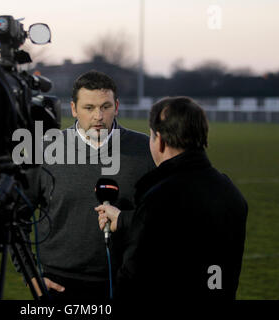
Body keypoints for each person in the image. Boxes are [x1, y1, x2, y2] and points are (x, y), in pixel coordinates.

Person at [18, 70, 155, 300]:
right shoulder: (42, 150)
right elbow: (17, 219)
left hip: (125, 282)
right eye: (89, 108)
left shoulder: (146, 151)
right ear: (73, 109)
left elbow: (160, 219)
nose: (98, 116)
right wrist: (30, 275)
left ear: (117, 106)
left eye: (105, 106)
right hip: (57, 284)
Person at [96, 96, 248, 300]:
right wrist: (124, 219)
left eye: (151, 136)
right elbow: (188, 230)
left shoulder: (160, 197)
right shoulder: (230, 191)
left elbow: (136, 274)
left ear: (160, 141)